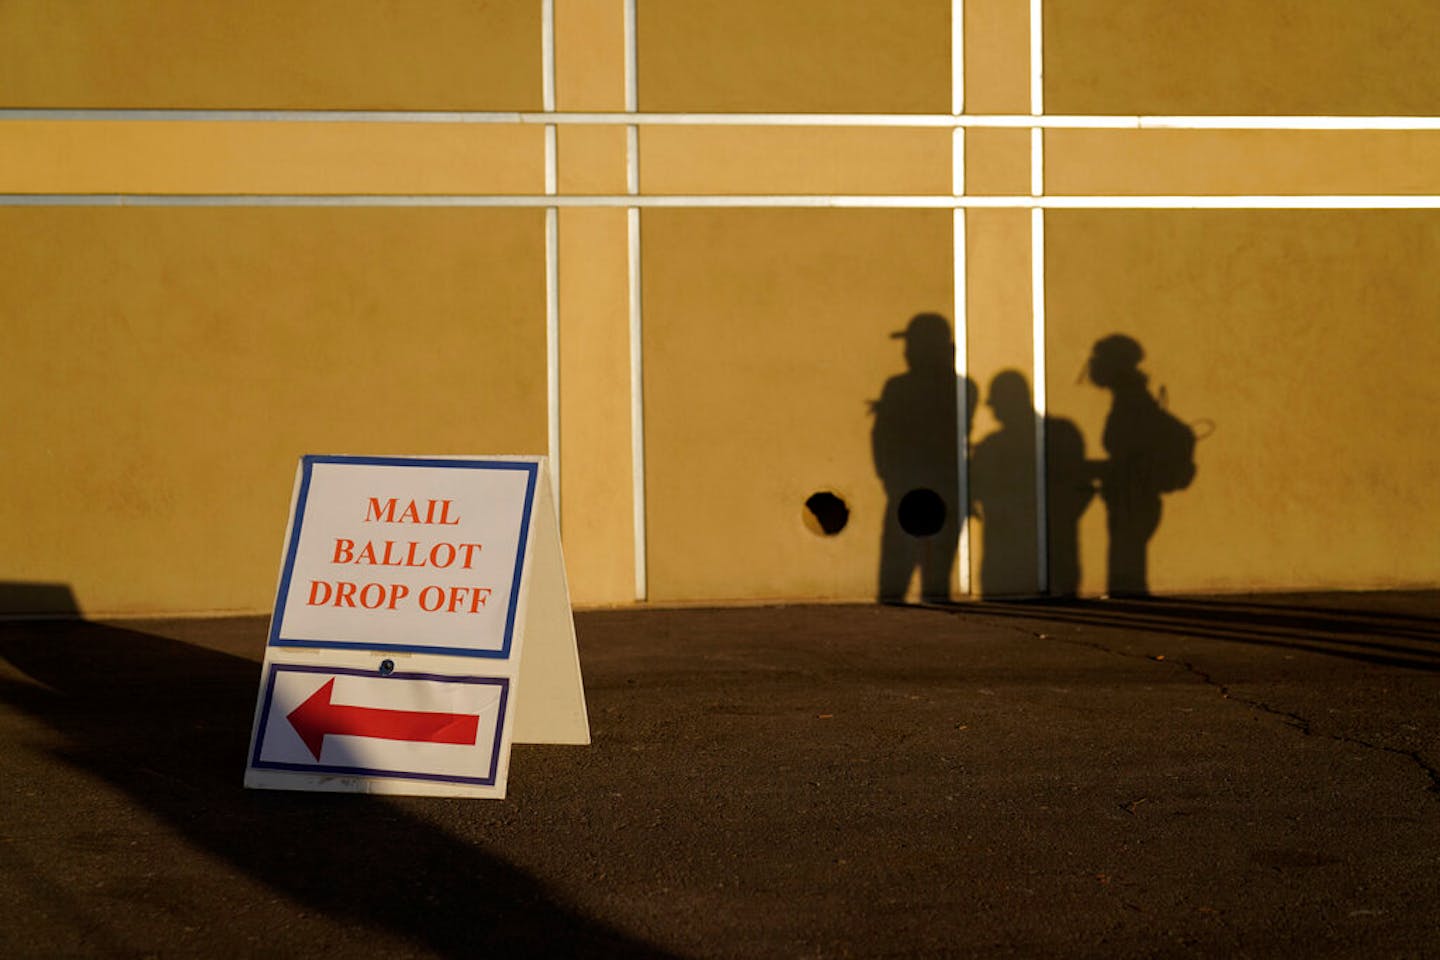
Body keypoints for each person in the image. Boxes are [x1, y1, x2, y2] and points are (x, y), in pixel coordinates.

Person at [870, 314, 966, 602]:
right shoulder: (960, 388)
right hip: (932, 483)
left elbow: (882, 436)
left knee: (898, 574)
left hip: (910, 484)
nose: (907, 351)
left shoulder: (900, 387)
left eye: (913, 344)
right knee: (931, 573)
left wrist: (888, 476)